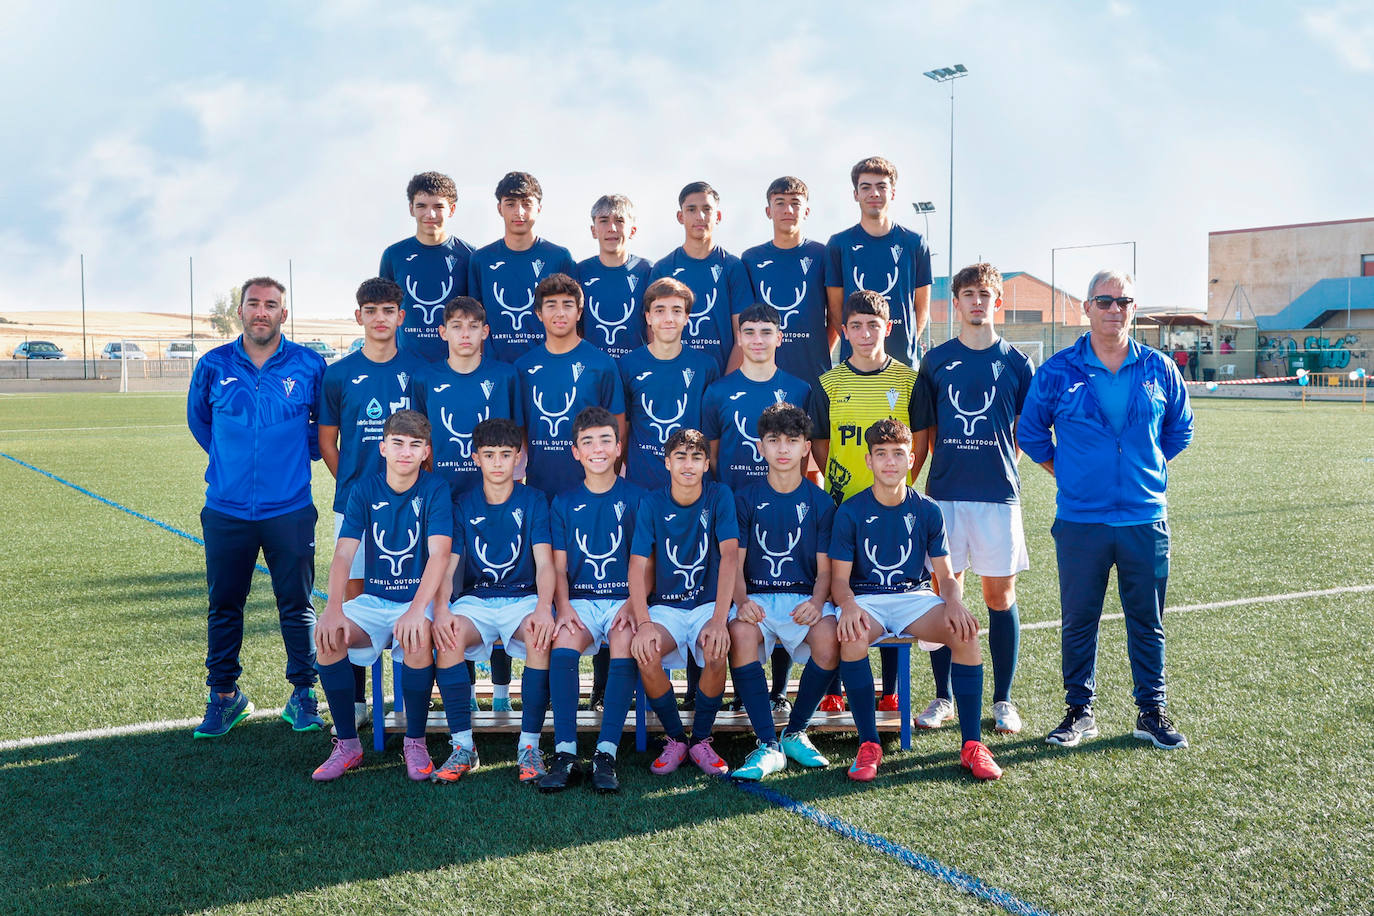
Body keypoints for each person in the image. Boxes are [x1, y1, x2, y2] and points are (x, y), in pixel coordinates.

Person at [1018, 270, 1194, 751]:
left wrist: (1142, 471)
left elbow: (1179, 431)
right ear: (1087, 308)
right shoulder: (1057, 370)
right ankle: (1079, 711)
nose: (1114, 309)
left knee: (1147, 620)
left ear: (1133, 309)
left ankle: (1151, 712)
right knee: (1079, 619)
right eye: (1104, 300)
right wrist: (1072, 474)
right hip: (1081, 521)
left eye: (1123, 301)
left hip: (1144, 520)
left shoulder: (1160, 368)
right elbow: (1031, 434)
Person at [187, 276, 327, 739]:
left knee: (297, 604)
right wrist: (234, 462)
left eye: (271, 305)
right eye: (253, 304)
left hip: (289, 508)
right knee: (224, 603)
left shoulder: (309, 365)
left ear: (283, 314)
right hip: (226, 509)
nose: (261, 311)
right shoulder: (213, 364)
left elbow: (318, 429)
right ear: (241, 311)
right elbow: (201, 423)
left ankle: (303, 694)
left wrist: (285, 460)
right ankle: (225, 696)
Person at [828, 419, 1003, 782]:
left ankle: (972, 744)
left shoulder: (927, 510)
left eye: (897, 454)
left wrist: (953, 602)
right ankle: (869, 744)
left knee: (966, 633)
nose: (889, 462)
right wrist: (847, 606)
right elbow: (839, 581)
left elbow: (947, 575)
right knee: (851, 636)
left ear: (911, 459)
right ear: (868, 460)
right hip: (867, 599)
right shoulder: (850, 511)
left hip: (914, 597)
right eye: (881, 455)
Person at [910, 263, 1034, 735]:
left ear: (997, 302)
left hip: (999, 496)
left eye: (985, 294)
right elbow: (927, 435)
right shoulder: (936, 361)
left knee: (999, 596)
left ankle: (1002, 700)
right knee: (945, 593)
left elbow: (1024, 433)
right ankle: (942, 697)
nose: (977, 301)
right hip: (944, 496)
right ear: (956, 303)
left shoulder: (1018, 362)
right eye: (969, 294)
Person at [310, 410, 453, 782]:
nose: (406, 452)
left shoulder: (435, 489)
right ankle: (347, 744)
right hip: (375, 601)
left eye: (415, 445)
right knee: (328, 637)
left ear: (425, 452)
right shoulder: (364, 490)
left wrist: (417, 609)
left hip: (417, 599)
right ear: (383, 447)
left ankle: (415, 741)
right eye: (399, 444)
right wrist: (332, 608)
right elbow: (343, 554)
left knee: (418, 634)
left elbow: (439, 556)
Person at [319, 278, 427, 728]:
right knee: (356, 598)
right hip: (359, 506)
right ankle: (360, 701)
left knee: (409, 597)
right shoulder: (339, 373)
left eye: (388, 311)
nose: (380, 318)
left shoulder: (419, 371)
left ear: (401, 317)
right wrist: (358, 491)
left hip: (411, 508)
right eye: (371, 310)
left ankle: (404, 702)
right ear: (358, 316)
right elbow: (328, 441)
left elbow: (427, 439)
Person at [430, 417, 559, 784]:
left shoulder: (534, 500)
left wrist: (542, 607)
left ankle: (529, 747)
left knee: (538, 634)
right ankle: (463, 746)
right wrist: (441, 609)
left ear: (519, 458)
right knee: (449, 634)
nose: (499, 462)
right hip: (477, 599)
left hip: (523, 599)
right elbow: (449, 565)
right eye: (490, 455)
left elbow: (546, 562)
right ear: (476, 458)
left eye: (506, 454)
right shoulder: (462, 504)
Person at [812, 289, 915, 710]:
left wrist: (897, 487)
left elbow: (920, 442)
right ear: (844, 330)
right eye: (855, 325)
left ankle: (889, 691)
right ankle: (833, 690)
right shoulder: (829, 384)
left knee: (890, 588)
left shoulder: (907, 379)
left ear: (888, 328)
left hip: (892, 503)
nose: (865, 332)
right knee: (844, 594)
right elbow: (821, 444)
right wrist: (839, 482)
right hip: (842, 505)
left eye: (873, 324)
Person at [538, 407, 647, 793]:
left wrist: (634, 605)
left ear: (619, 448)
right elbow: (559, 566)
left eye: (605, 441)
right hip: (581, 600)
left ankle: (606, 752)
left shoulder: (638, 498)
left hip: (624, 599)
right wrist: (564, 607)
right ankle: (566, 751)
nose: (597, 449)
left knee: (624, 644)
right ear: (575, 452)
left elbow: (645, 564)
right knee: (563, 644)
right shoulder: (563, 503)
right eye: (587, 442)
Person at [729, 403, 839, 779]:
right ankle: (767, 743)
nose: (783, 449)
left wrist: (817, 602)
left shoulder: (821, 503)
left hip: (803, 597)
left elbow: (825, 570)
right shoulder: (744, 498)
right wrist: (741, 601)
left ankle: (795, 731)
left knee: (829, 640)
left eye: (792, 441)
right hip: (756, 596)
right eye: (774, 440)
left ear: (806, 447)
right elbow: (735, 563)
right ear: (760, 447)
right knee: (740, 634)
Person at [628, 428, 739, 776]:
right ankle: (676, 738)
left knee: (717, 650)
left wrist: (720, 619)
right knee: (645, 651)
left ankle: (702, 739)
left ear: (707, 464)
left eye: (695, 458)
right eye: (680, 457)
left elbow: (731, 558)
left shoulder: (720, 496)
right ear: (667, 462)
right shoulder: (652, 502)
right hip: (666, 607)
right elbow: (636, 565)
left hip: (707, 604)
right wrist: (644, 622)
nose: (688, 465)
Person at [515, 273, 626, 498]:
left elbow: (618, 424)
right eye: (551, 305)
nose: (560, 313)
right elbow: (523, 429)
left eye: (568, 305)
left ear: (579, 312)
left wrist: (604, 474)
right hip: (540, 487)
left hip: (592, 489)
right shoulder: (523, 367)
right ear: (538, 313)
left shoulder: (602, 364)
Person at [825, 156, 933, 368]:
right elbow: (835, 309)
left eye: (881, 187)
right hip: (854, 365)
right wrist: (859, 343)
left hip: (902, 363)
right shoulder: (839, 244)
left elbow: (922, 308)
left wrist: (907, 342)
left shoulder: (914, 243)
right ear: (856, 195)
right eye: (865, 187)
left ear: (892, 192)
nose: (874, 193)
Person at [413, 296, 524, 500]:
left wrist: (515, 477)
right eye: (456, 326)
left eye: (473, 326)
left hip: (495, 496)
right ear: (443, 332)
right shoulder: (424, 378)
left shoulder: (506, 376)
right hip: (442, 495)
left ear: (485, 331)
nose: (465, 334)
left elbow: (519, 432)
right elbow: (418, 437)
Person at [619, 277, 720, 491]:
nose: (668, 318)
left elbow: (712, 433)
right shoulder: (627, 365)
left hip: (693, 490)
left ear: (686, 318)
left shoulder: (705, 366)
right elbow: (624, 430)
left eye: (676, 310)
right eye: (659, 310)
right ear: (648, 317)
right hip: (643, 488)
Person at [468, 171, 576, 363]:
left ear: (539, 208)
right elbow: (475, 321)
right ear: (499, 208)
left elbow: (574, 319)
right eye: (511, 204)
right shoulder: (481, 259)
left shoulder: (559, 257)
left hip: (548, 367)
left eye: (527, 204)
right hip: (497, 371)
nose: (519, 212)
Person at [647, 181, 752, 374]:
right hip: (674, 379)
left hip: (722, 378)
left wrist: (725, 387)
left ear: (718, 216)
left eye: (707, 209)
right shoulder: (663, 268)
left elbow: (743, 333)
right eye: (692, 209)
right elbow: (653, 331)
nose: (700, 216)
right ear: (680, 216)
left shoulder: (732, 267)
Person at [743, 176, 834, 392]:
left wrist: (820, 350)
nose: (788, 210)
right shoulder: (751, 258)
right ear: (768, 211)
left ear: (806, 211)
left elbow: (835, 314)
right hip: (764, 374)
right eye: (780, 203)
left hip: (813, 373)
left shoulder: (823, 254)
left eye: (795, 203)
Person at [380, 171, 475, 363]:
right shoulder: (394, 255)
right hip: (406, 367)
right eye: (421, 206)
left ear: (452, 209)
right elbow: (384, 311)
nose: (430, 214)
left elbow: (478, 316)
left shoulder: (470, 256)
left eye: (438, 206)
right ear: (411, 209)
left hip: (454, 368)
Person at [577, 194, 654, 360]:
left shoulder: (648, 271)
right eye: (604, 220)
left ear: (632, 230)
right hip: (593, 371)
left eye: (620, 220)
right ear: (593, 230)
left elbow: (655, 328)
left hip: (636, 370)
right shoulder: (579, 272)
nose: (612, 228)